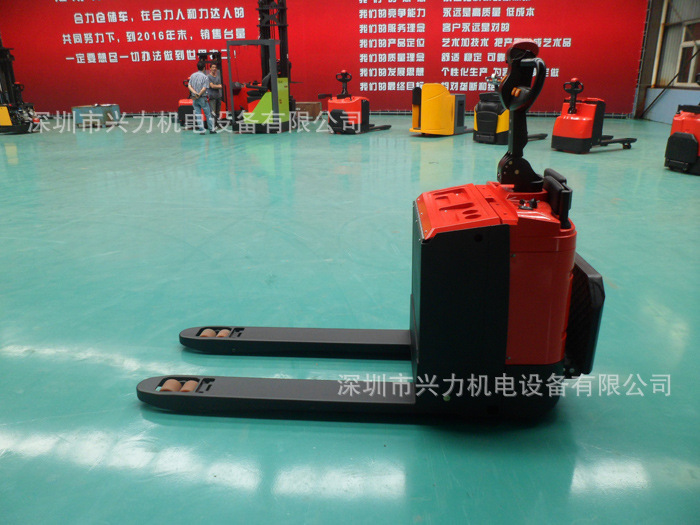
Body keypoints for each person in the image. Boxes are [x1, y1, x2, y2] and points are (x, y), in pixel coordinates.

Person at [188, 61, 216, 134]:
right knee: (208, 114)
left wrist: (195, 93)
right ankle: (211, 129)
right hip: (202, 98)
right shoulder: (205, 77)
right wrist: (199, 94)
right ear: (204, 68)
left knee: (198, 114)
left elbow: (189, 86)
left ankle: (202, 130)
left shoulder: (192, 76)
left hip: (194, 98)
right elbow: (204, 88)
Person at [207, 63, 223, 128]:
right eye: (213, 67)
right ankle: (212, 125)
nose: (214, 69)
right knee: (213, 112)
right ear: (210, 68)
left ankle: (217, 124)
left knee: (218, 112)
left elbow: (220, 86)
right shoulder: (208, 77)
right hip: (212, 97)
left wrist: (216, 86)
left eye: (215, 67)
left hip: (218, 96)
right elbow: (212, 86)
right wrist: (217, 86)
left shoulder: (217, 77)